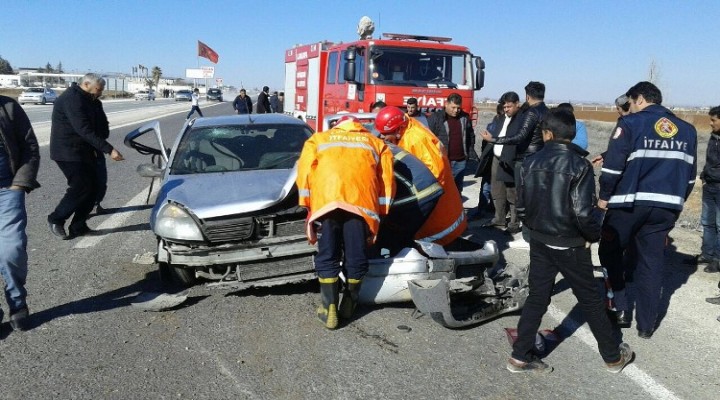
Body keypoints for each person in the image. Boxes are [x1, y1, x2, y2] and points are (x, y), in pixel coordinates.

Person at [508, 108, 634, 374]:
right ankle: (612, 357)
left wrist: (533, 229)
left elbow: (521, 205)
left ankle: (519, 356)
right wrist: (591, 236)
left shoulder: (531, 162)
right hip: (570, 243)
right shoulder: (580, 165)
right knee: (589, 299)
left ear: (547, 134)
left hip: (540, 241)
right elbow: (582, 212)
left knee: (537, 297)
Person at [598, 81, 697, 339]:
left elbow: (611, 168)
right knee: (651, 265)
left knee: (609, 250)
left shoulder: (630, 124)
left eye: (630, 103)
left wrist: (604, 197)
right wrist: (676, 202)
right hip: (665, 208)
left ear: (639, 98)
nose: (629, 108)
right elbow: (689, 177)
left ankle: (619, 307)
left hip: (628, 204)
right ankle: (646, 324)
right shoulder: (688, 130)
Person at [296, 115, 394, 329]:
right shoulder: (376, 143)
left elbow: (304, 173)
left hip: (327, 203)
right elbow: (386, 181)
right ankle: (349, 302)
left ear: (337, 125)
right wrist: (382, 210)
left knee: (328, 253)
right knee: (356, 254)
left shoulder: (318, 139)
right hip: (361, 205)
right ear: (359, 127)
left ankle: (329, 308)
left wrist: (307, 202)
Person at [375, 106, 467, 246]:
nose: (382, 138)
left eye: (385, 134)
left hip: (440, 212)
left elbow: (433, 175)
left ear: (398, 130)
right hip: (435, 205)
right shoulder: (406, 128)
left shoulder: (416, 139)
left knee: (435, 243)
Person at [48, 73, 124, 240]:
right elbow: (83, 129)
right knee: (81, 186)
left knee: (94, 189)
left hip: (88, 151)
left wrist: (102, 135)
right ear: (87, 84)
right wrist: (109, 149)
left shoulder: (93, 101)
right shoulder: (72, 99)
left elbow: (102, 125)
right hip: (68, 151)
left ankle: (78, 225)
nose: (101, 92)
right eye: (98, 89)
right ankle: (56, 219)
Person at [480, 81, 549, 247]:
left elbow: (520, 136)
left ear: (527, 96)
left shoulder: (531, 113)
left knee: (521, 196)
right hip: (539, 157)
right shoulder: (547, 111)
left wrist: (494, 140)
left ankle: (526, 234)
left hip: (526, 158)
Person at [0, 95, 40, 331]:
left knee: (12, 249)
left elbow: (30, 147)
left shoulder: (8, 107)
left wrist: (20, 184)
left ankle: (17, 303)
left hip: (7, 190)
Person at [477, 92, 522, 233]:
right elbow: (496, 137)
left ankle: (514, 223)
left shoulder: (521, 120)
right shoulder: (501, 119)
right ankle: (499, 220)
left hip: (510, 160)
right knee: (497, 190)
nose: (506, 109)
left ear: (517, 104)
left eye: (509, 106)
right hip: (497, 159)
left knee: (512, 193)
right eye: (505, 106)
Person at [427, 93, 475, 194]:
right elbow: (428, 138)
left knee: (457, 189)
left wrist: (470, 152)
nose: (456, 110)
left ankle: (457, 209)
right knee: (442, 189)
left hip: (460, 160)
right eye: (453, 107)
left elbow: (471, 136)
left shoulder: (465, 118)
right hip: (443, 161)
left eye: (458, 108)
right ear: (446, 104)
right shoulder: (436, 118)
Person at [699, 106, 720, 275]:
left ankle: (717, 259)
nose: (710, 123)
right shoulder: (714, 138)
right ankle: (707, 253)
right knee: (707, 221)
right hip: (710, 186)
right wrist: (705, 174)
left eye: (714, 120)